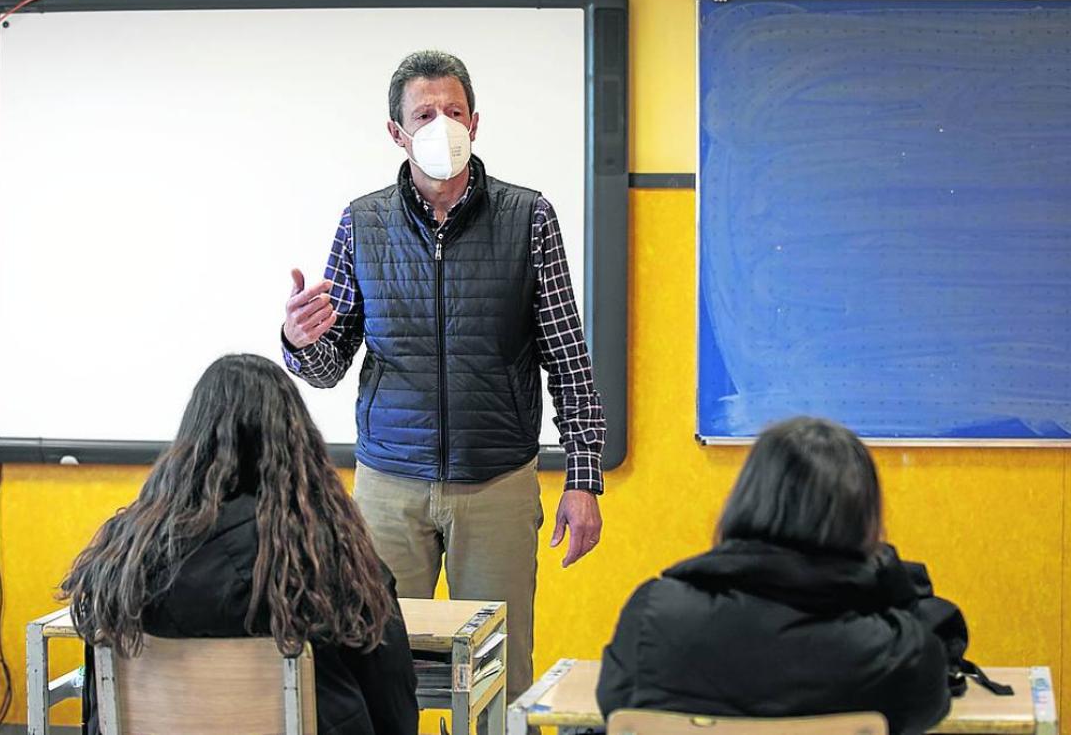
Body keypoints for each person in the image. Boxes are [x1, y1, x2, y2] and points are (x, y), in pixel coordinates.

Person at [280, 49, 607, 699]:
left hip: (497, 484)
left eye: (453, 112)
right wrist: (297, 342)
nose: (441, 126)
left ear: (476, 122)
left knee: (500, 675)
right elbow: (329, 364)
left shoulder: (529, 218)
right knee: (372, 668)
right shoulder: (362, 222)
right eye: (423, 114)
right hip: (387, 489)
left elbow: (567, 356)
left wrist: (584, 478)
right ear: (396, 133)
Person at [61, 354, 418, 735]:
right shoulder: (326, 555)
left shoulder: (124, 555)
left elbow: (98, 713)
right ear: (296, 442)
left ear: (190, 441)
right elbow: (392, 710)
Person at [597, 417, 952, 735]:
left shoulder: (654, 615)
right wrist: (888, 582)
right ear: (865, 522)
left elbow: (616, 704)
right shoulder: (896, 650)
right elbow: (930, 704)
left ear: (744, 501)